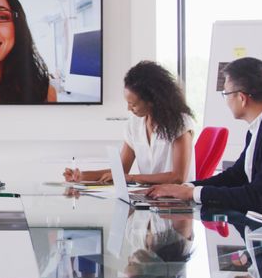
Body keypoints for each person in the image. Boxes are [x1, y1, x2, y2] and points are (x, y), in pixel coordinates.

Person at [145, 57, 262, 216]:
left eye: (226, 93)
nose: (226, 100)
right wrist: (186, 187)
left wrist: (192, 193)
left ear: (242, 98)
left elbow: (257, 197)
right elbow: (237, 176)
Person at [63, 61, 196, 185]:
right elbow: (120, 170)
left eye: (133, 104)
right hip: (151, 199)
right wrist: (81, 176)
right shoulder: (134, 124)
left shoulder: (181, 123)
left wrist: (133, 178)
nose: (128, 109)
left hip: (178, 202)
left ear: (152, 100)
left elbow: (178, 177)